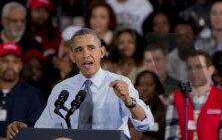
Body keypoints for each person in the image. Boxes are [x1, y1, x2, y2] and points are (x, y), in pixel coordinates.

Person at [7, 28, 154, 139]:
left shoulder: (121, 83)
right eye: (79, 50)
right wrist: (22, 132)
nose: (85, 55)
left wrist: (128, 101)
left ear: (102, 52)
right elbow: (43, 130)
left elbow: (146, 124)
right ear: (72, 56)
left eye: (91, 48)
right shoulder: (61, 89)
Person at [165, 51, 222, 140]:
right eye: (190, 68)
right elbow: (171, 136)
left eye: (198, 67)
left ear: (210, 70)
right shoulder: (175, 97)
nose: (193, 72)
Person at [0, 42, 45, 139]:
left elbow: (38, 133)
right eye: (5, 61)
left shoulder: (33, 95)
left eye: (15, 61)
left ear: (21, 65)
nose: (10, 66)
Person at [130, 70, 166, 140]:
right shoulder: (128, 108)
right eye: (141, 85)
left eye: (149, 85)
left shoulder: (164, 112)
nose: (144, 89)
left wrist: (142, 138)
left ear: (157, 88)